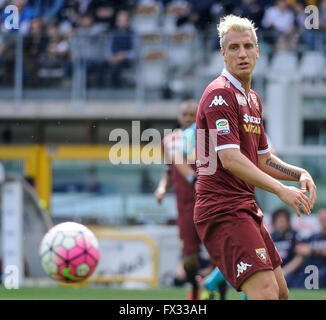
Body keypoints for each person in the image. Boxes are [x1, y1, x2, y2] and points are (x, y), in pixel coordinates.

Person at [194, 14, 317, 300]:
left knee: (281, 294)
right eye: (234, 48)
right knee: (266, 295)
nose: (242, 54)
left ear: (258, 51)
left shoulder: (253, 99)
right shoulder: (219, 95)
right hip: (222, 210)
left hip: (244, 209)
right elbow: (231, 159)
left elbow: (264, 158)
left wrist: (299, 173)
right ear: (223, 54)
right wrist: (281, 191)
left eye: (248, 46)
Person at [154, 99, 202, 300]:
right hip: (186, 206)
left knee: (221, 251)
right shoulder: (170, 141)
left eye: (193, 114)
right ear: (180, 118)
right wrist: (162, 188)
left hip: (211, 201)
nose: (189, 118)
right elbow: (168, 172)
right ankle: (194, 286)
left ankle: (220, 289)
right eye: (186, 115)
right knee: (189, 256)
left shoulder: (209, 139)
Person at [270, 207, 305, 287]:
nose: (281, 224)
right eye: (279, 221)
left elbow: (300, 257)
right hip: (274, 273)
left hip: (291, 273)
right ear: (274, 222)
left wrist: (284, 271)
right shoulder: (269, 237)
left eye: (284, 221)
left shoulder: (295, 236)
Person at [294, 207, 326, 288]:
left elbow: (308, 250)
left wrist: (313, 250)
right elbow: (300, 249)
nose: (324, 221)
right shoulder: (313, 237)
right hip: (311, 270)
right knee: (296, 282)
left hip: (323, 271)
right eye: (322, 219)